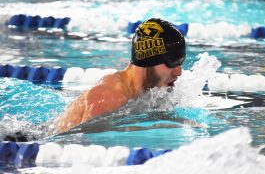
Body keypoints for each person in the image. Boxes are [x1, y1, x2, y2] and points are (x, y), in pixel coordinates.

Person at [53, 18, 186, 134]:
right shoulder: (108, 97)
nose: (178, 72)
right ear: (148, 60)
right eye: (172, 63)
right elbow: (83, 146)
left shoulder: (151, 92)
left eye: (180, 63)